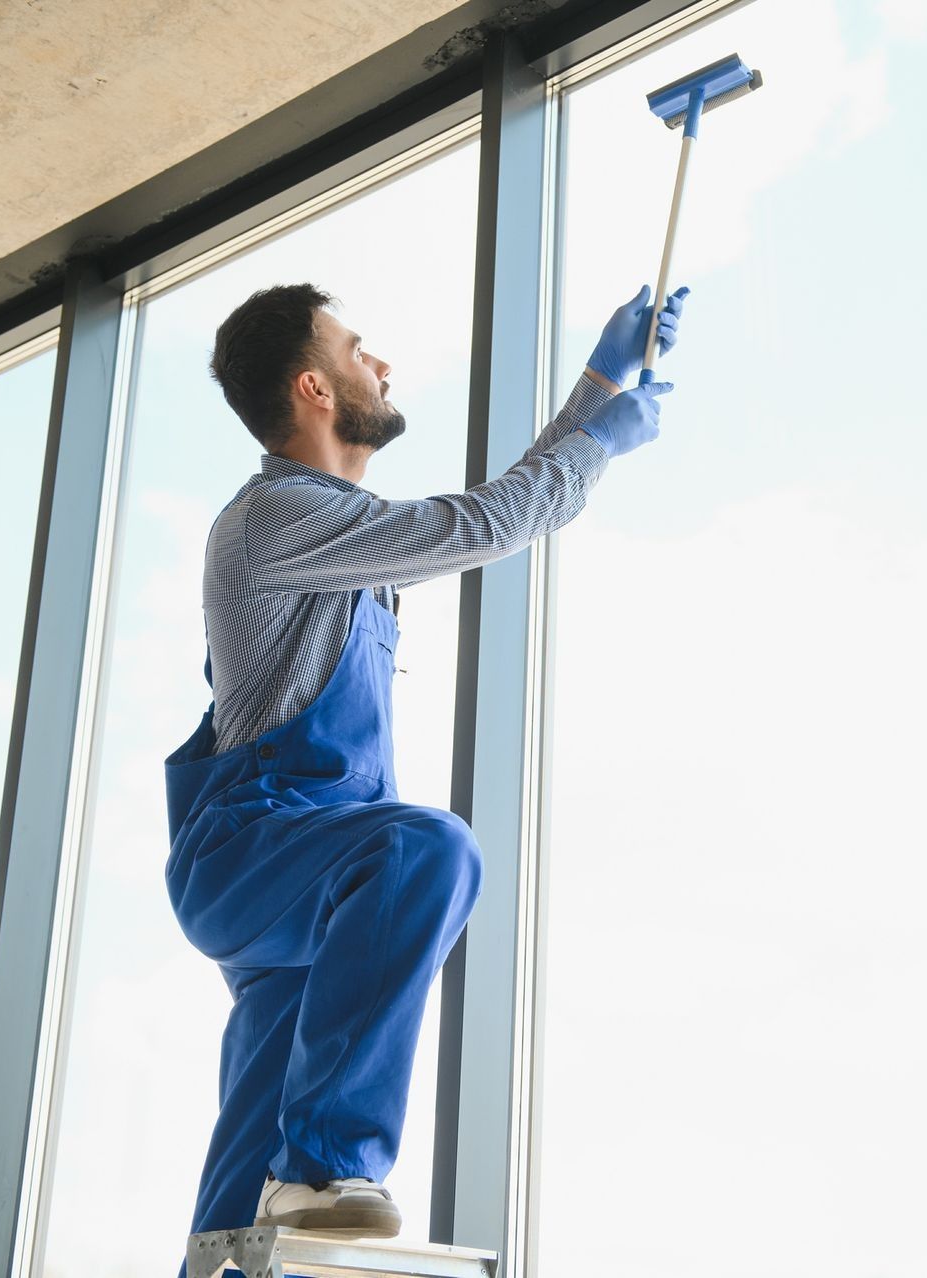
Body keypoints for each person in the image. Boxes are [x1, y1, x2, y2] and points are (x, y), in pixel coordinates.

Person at [160, 279, 687, 1262]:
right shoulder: (277, 517)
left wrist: (601, 380)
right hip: (263, 851)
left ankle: (263, 1214)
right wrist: (603, 438)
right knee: (425, 851)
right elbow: (485, 523)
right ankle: (323, 1173)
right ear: (316, 389)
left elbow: (499, 508)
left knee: (240, 1209)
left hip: (309, 888)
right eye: (361, 350)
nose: (383, 364)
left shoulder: (338, 539)